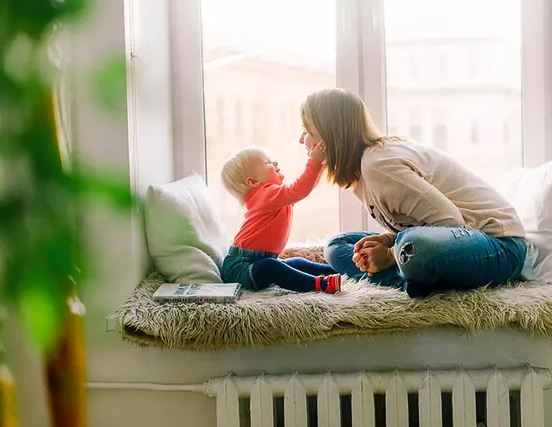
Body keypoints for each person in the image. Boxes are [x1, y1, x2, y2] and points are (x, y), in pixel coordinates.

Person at [299, 88, 527, 298]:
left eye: (308, 131)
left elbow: (451, 222)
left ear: (332, 136)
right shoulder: (361, 173)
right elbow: (417, 224)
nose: (302, 140)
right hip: (449, 242)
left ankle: (409, 278)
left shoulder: (378, 165)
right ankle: (414, 281)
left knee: (412, 246)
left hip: (499, 246)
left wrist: (389, 255)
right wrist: (387, 239)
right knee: (338, 245)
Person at [220, 145, 342, 294]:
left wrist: (321, 165)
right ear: (252, 182)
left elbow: (303, 190)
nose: (275, 163)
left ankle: (338, 270)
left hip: (258, 261)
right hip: (240, 267)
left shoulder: (272, 197)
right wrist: (314, 162)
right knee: (271, 267)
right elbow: (299, 189)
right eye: (267, 163)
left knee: (296, 262)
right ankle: (320, 284)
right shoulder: (264, 195)